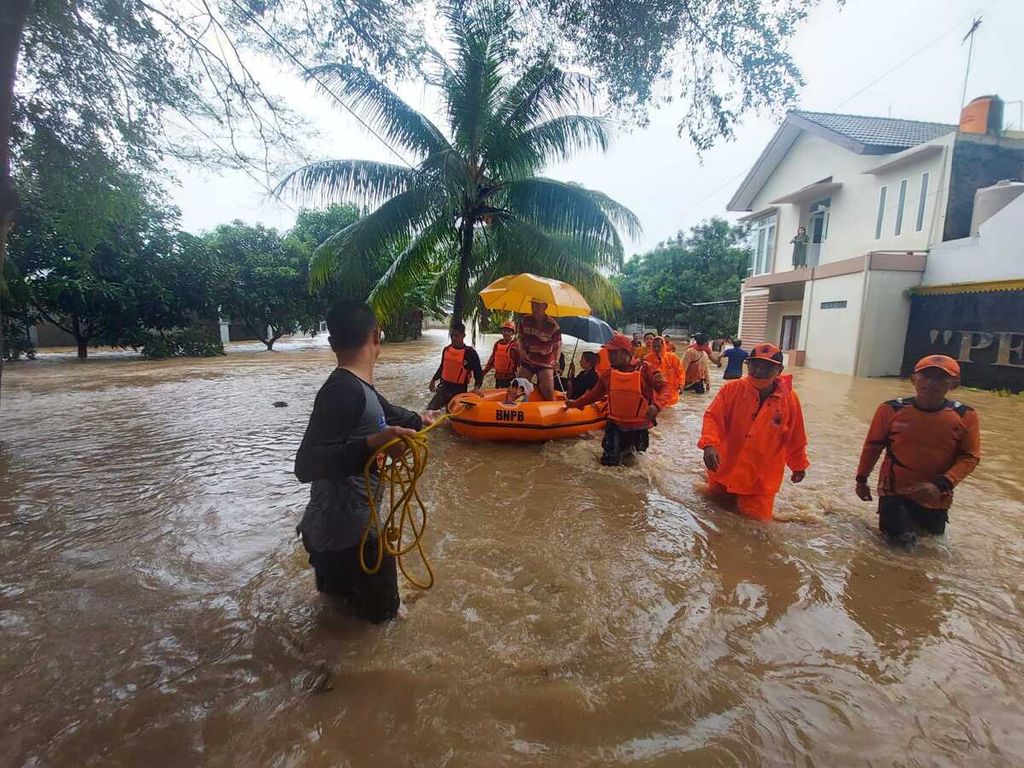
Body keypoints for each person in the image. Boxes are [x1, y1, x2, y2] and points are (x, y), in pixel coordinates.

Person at [294, 300, 437, 623]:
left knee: (337, 620)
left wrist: (425, 418)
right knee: (383, 628)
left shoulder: (358, 386)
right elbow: (306, 464)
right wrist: (373, 443)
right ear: (377, 336)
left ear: (332, 344)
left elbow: (390, 414)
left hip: (330, 533)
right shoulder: (343, 390)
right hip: (354, 541)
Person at [854, 354, 981, 545]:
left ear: (954, 384)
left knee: (930, 547)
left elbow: (970, 457)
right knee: (899, 546)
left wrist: (941, 484)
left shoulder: (965, 415)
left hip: (938, 496)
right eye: (925, 376)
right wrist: (861, 480)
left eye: (940, 378)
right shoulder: (891, 410)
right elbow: (873, 447)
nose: (931, 383)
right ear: (913, 380)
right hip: (894, 492)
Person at [698, 343, 809, 521]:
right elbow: (712, 418)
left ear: (779, 370)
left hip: (760, 482)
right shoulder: (731, 390)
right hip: (723, 471)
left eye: (766, 367)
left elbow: (795, 436)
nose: (758, 371)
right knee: (712, 523)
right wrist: (709, 444)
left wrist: (798, 465)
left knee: (755, 531)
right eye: (754, 365)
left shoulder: (790, 399)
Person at [566, 333, 669, 466]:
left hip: (638, 428)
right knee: (608, 465)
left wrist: (657, 406)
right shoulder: (608, 375)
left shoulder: (646, 369)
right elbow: (594, 395)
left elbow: (665, 388)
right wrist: (575, 403)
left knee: (636, 467)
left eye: (614, 353)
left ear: (626, 353)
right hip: (614, 426)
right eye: (609, 353)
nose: (610, 357)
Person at [428, 321, 483, 410]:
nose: (453, 338)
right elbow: (442, 367)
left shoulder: (470, 353)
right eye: (452, 336)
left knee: (452, 414)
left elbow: (478, 373)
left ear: (463, 336)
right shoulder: (446, 350)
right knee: (430, 409)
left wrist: (477, 387)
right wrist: (433, 380)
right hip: (444, 388)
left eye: (456, 336)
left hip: (459, 391)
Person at [516, 300, 562, 401]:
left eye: (537, 305)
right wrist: (522, 351)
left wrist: (556, 360)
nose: (534, 308)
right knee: (516, 387)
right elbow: (521, 338)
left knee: (548, 391)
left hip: (545, 362)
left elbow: (557, 346)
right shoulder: (525, 320)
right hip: (528, 359)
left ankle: (552, 409)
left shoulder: (553, 325)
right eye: (532, 305)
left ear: (545, 306)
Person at [644, 336, 683, 407]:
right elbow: (643, 376)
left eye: (659, 346)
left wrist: (681, 384)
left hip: (671, 392)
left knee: (669, 414)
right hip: (654, 392)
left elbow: (680, 371)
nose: (656, 348)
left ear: (663, 346)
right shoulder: (647, 358)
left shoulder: (672, 357)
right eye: (654, 346)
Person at [481, 320, 518, 388]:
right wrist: (484, 372)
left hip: (509, 378)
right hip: (498, 377)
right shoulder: (497, 344)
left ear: (512, 333)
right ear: (502, 332)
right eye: (504, 331)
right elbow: (492, 360)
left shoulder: (514, 346)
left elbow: (518, 363)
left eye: (508, 331)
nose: (506, 333)